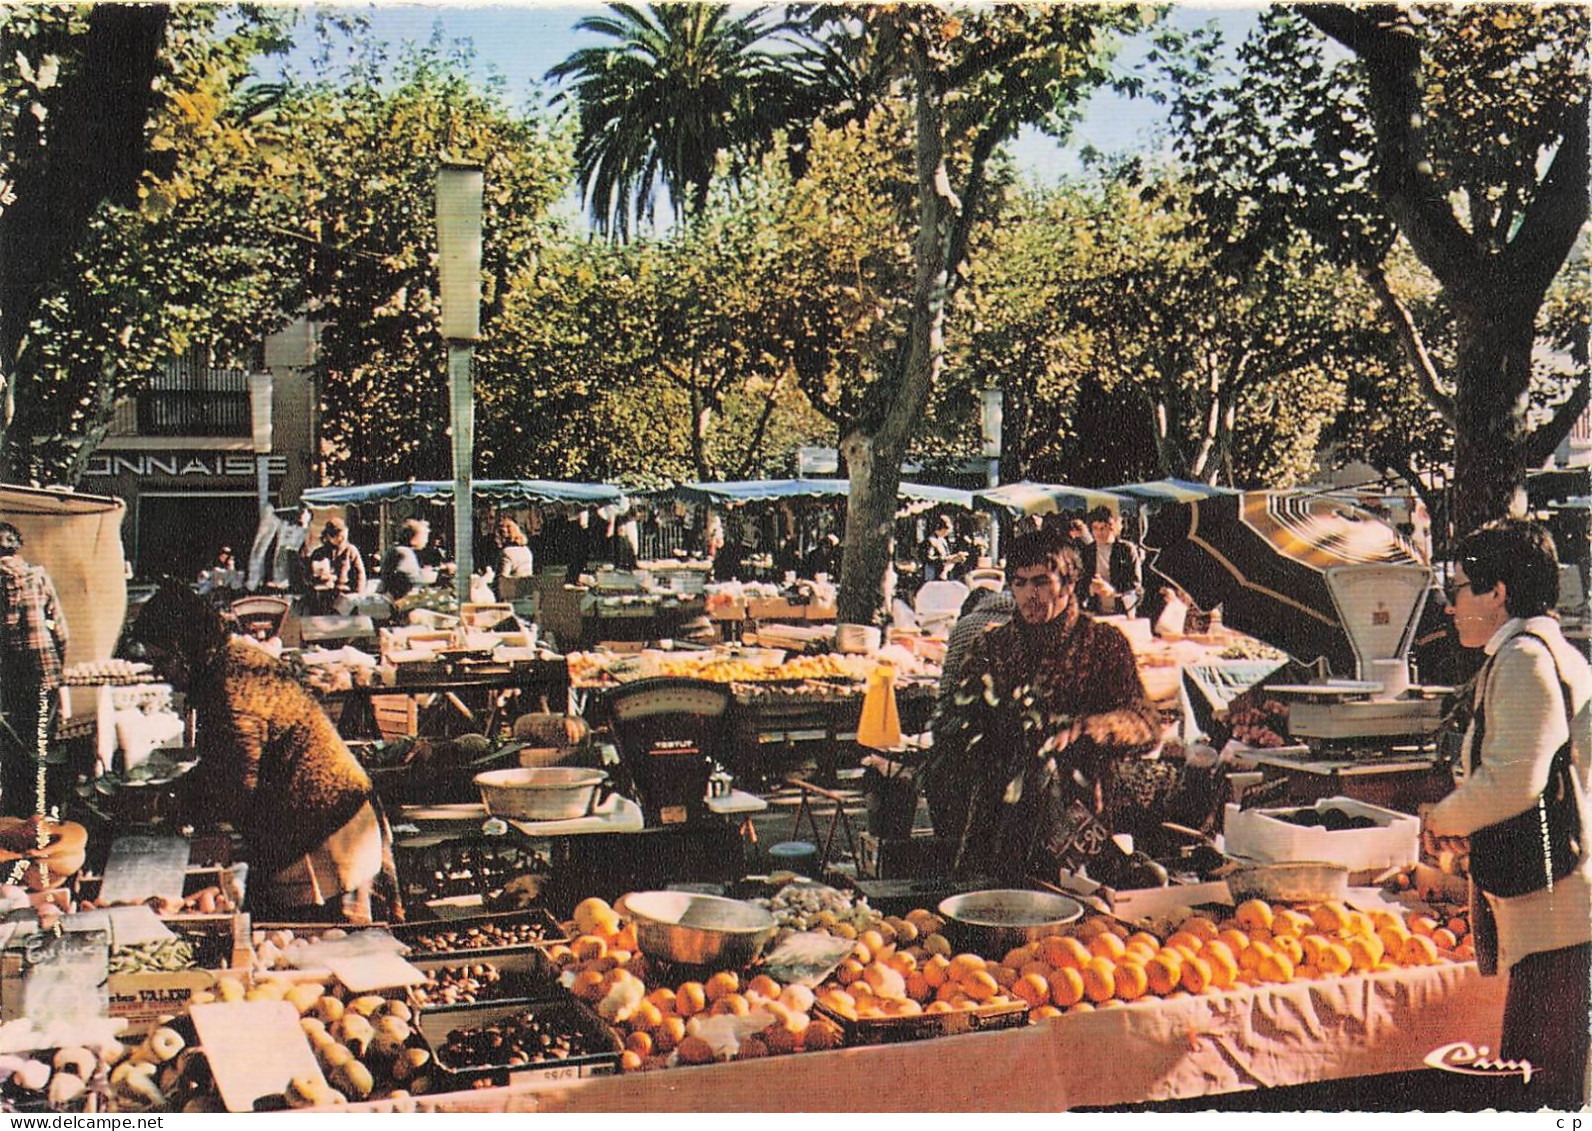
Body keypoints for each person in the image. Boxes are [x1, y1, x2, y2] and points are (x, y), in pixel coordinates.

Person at [1421, 519, 1590, 1110]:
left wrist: (1441, 819)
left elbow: (1514, 781)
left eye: (1461, 588)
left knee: (1541, 1088)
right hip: (1556, 902)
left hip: (1556, 912)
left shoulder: (1524, 659)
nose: (1450, 606)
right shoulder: (1545, 653)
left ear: (1499, 593)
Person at [130, 585, 399, 923]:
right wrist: (171, 791)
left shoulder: (231, 684)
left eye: (163, 661)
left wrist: (167, 804)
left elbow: (235, 786)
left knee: (322, 946)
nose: (161, 673)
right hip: (326, 821)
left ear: (186, 649)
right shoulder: (232, 661)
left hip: (328, 835)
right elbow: (225, 764)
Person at [923, 530, 1160, 878]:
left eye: (1041, 582)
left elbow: (1146, 724)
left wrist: (1088, 728)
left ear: (1068, 584)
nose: (1029, 595)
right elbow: (955, 722)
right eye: (1019, 583)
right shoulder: (991, 646)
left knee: (1079, 912)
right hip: (997, 821)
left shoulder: (1103, 644)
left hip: (1078, 813)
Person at [0, 524, 68, 818]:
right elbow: (60, 626)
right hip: (45, 669)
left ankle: (18, 810)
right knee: (42, 738)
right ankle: (47, 807)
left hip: (12, 675)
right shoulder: (38, 575)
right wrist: (63, 661)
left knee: (15, 744)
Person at [934, 577, 1015, 722]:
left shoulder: (966, 624)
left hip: (969, 714)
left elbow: (949, 674)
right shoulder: (1024, 621)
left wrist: (942, 712)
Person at [1076, 505, 1144, 616]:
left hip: (1123, 612)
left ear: (1112, 527)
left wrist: (1113, 591)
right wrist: (1090, 588)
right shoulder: (1087, 551)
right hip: (1096, 612)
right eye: (1095, 528)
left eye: (1103, 528)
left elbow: (1135, 585)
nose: (1099, 533)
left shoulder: (1126, 550)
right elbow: (1080, 583)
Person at [306, 517, 366, 604]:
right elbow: (309, 575)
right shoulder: (318, 553)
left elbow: (360, 574)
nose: (341, 540)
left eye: (343, 537)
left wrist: (357, 594)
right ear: (329, 536)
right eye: (338, 537)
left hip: (346, 595)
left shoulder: (351, 551)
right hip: (323, 596)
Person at [379, 518, 431, 602]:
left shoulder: (396, 549)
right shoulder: (405, 552)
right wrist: (429, 576)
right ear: (415, 537)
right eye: (424, 537)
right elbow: (407, 576)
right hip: (400, 602)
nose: (426, 540)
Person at [494, 518, 535, 596]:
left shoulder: (506, 553)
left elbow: (502, 581)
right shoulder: (526, 551)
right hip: (526, 595)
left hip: (511, 597)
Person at [922, 515, 967, 582]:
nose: (948, 532)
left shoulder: (942, 539)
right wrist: (947, 559)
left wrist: (955, 558)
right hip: (934, 575)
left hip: (945, 572)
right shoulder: (931, 540)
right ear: (943, 528)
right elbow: (929, 559)